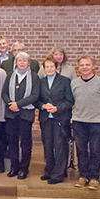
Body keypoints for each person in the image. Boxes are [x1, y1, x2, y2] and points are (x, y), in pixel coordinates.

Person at [71, 56, 100, 190]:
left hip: (95, 121)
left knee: (95, 150)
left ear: (93, 66)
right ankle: (83, 175)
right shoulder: (74, 83)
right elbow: (73, 100)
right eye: (82, 65)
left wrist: (96, 113)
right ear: (78, 67)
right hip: (78, 121)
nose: (84, 67)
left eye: (87, 65)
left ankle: (94, 177)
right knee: (81, 150)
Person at [2, 51, 40, 180]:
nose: (22, 63)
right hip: (11, 114)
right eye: (20, 61)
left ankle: (24, 169)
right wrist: (10, 104)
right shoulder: (10, 75)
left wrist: (18, 104)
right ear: (16, 63)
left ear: (28, 63)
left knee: (25, 143)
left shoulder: (34, 77)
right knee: (12, 142)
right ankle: (14, 167)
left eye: (24, 61)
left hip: (26, 115)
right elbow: (4, 93)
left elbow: (35, 95)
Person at [37, 56, 74, 185]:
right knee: (48, 146)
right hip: (45, 118)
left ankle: (58, 174)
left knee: (59, 146)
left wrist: (57, 108)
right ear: (44, 68)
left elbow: (70, 101)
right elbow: (37, 100)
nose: (49, 69)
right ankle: (49, 171)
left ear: (56, 67)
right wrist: (43, 106)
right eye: (47, 66)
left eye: (52, 66)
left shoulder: (64, 81)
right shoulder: (40, 81)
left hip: (60, 118)